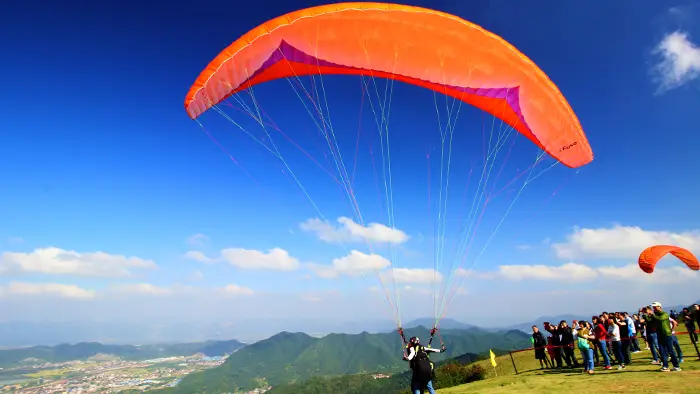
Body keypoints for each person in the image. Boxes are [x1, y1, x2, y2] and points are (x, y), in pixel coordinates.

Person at [643, 302, 681, 372]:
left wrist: (652, 314)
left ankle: (676, 366)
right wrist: (645, 314)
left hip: (667, 334)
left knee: (671, 351)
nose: (654, 308)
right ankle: (665, 366)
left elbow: (660, 319)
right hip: (659, 334)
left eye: (655, 307)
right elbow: (649, 321)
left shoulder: (665, 314)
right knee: (662, 351)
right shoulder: (655, 315)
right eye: (653, 307)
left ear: (659, 307)